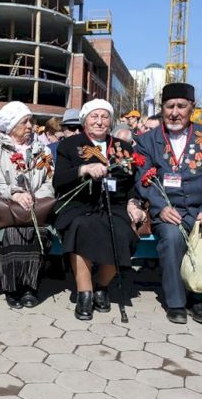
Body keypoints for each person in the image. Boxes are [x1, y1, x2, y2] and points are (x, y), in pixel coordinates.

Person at [135, 83, 202, 325]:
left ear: (192, 107)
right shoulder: (147, 140)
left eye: (181, 106)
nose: (174, 112)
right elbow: (142, 178)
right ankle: (176, 302)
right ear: (162, 108)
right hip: (169, 211)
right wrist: (160, 207)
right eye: (169, 106)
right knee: (172, 238)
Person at [54, 99, 145, 320]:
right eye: (94, 116)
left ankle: (101, 286)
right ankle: (84, 293)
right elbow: (59, 181)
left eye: (104, 117)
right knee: (81, 227)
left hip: (114, 205)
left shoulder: (123, 147)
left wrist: (134, 203)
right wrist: (83, 169)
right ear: (85, 121)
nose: (99, 121)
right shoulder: (70, 144)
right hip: (79, 204)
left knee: (122, 232)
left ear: (111, 121)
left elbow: (131, 184)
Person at [0, 101, 54, 308]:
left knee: (38, 233)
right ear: (11, 126)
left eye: (30, 121)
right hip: (8, 208)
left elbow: (49, 181)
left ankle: (30, 287)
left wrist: (36, 197)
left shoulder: (42, 150)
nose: (30, 126)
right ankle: (11, 288)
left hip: (36, 207)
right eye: (24, 122)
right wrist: (15, 193)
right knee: (10, 234)